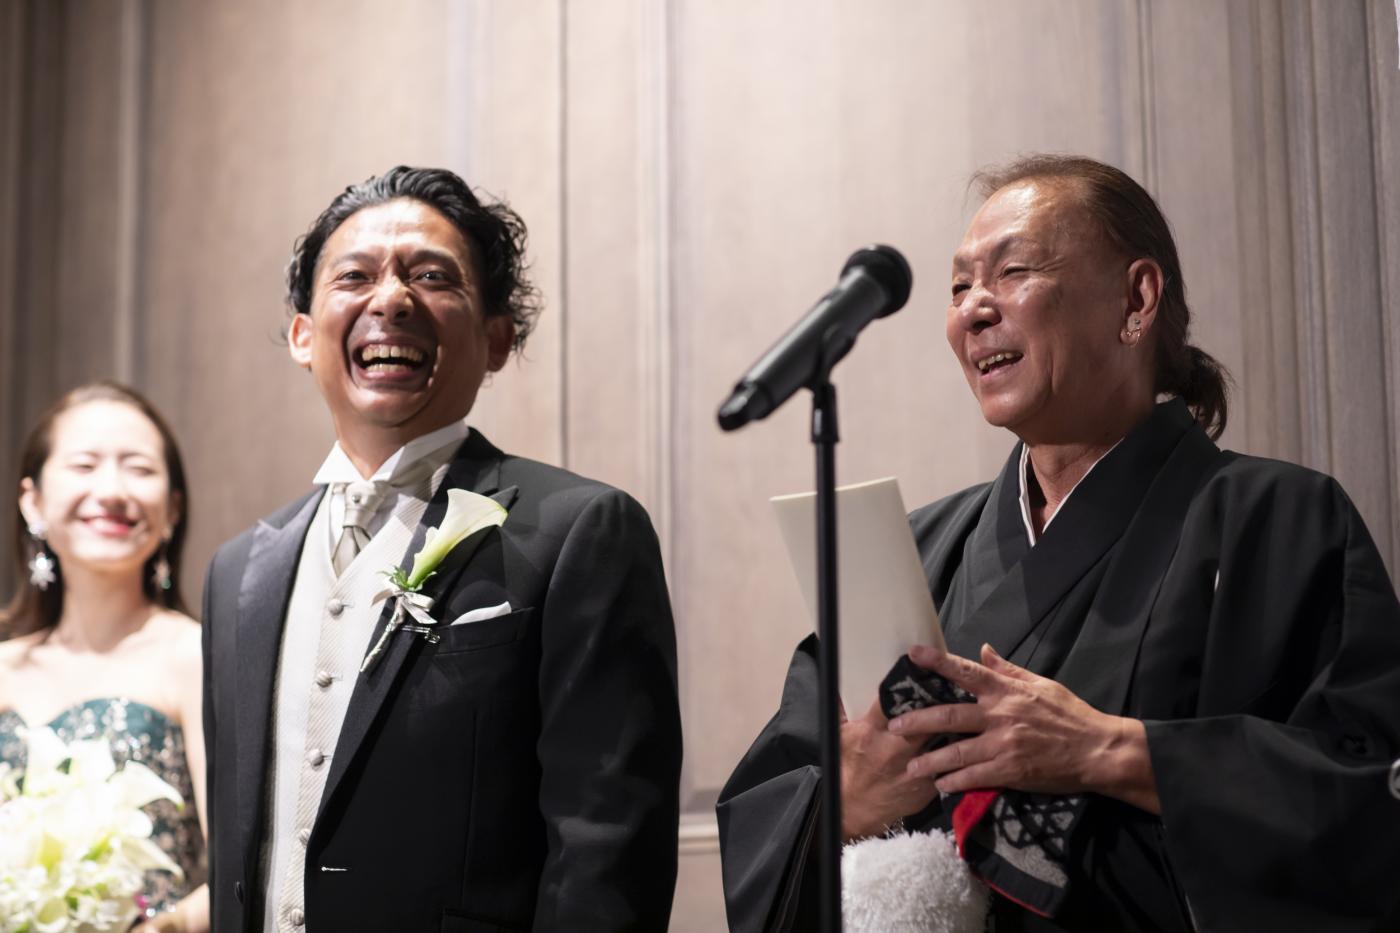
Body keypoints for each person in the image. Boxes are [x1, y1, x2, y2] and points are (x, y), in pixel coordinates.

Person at [717, 154, 1400, 932]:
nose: (974, 310)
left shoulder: (1277, 520)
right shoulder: (921, 550)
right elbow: (768, 806)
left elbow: (1366, 797)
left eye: (1012, 272)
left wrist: (1109, 750)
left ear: (1136, 300)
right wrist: (848, 796)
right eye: (958, 287)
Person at [201, 166, 682, 933]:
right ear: (302, 335)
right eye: (354, 276)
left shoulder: (580, 531)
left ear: (496, 339)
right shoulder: (237, 574)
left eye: (431, 276)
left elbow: (606, 851)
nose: (391, 299)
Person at [0, 382, 210, 932]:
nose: (112, 490)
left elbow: (246, 865)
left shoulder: (194, 656)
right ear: (32, 501)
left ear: (172, 509)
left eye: (138, 469)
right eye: (84, 465)